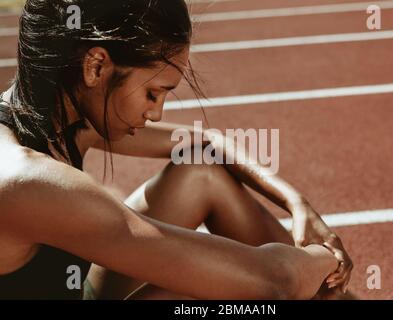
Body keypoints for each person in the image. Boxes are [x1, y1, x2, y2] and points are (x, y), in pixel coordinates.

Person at [0, 0, 352, 300]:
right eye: (153, 93)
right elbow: (275, 281)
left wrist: (296, 202)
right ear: (95, 66)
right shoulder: (26, 180)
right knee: (216, 291)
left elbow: (205, 142)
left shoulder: (60, 117)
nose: (156, 113)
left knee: (199, 171)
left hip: (73, 290)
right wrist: (327, 258)